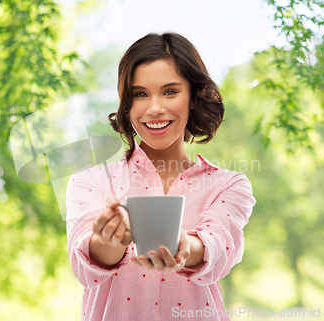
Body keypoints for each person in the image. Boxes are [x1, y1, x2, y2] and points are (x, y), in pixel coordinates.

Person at [66, 32, 256, 321]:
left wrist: (184, 247)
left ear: (193, 97)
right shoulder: (89, 183)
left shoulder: (228, 186)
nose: (155, 108)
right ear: (126, 104)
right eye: (140, 94)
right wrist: (110, 240)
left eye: (170, 91)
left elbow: (218, 249)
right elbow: (84, 269)